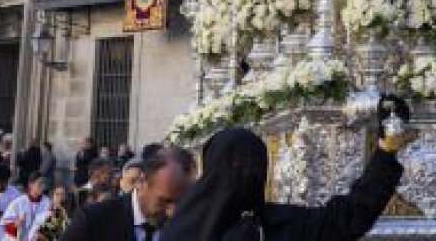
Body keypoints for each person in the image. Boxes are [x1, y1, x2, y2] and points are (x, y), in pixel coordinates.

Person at [161, 95, 409, 241]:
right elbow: (348, 218)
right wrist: (386, 151)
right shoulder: (275, 226)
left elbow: (345, 219)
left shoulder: (178, 228)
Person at [61, 146, 195, 241]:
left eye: (181, 202)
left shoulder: (188, 228)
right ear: (141, 182)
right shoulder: (93, 220)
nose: (172, 211)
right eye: (164, 201)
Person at [3, 173, 51, 240]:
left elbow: (51, 225)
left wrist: (44, 233)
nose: (43, 187)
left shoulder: (48, 203)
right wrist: (16, 224)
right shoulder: (19, 202)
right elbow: (7, 225)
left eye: (43, 184)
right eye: (40, 184)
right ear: (30, 185)